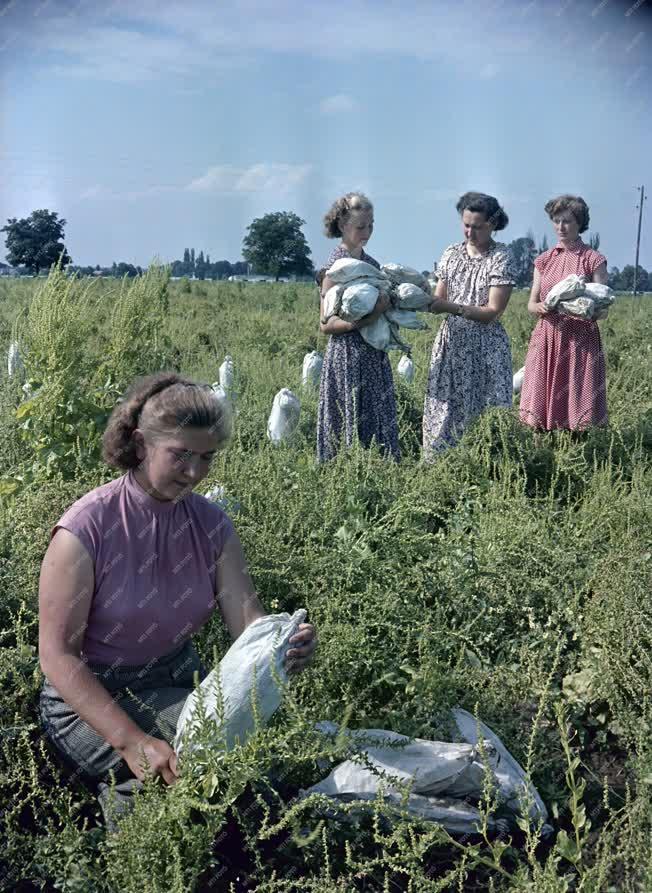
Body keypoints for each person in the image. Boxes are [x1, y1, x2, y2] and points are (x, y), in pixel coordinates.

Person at [38, 373, 318, 830]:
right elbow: (57, 655)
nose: (194, 472)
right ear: (141, 442)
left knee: (254, 760)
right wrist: (130, 741)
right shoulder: (85, 530)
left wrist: (282, 642)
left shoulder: (212, 525)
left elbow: (247, 617)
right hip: (88, 695)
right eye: (180, 454)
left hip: (176, 681)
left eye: (206, 457)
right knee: (182, 769)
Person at [423, 191, 517, 457]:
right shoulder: (451, 254)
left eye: (477, 227)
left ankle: (486, 471)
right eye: (466, 225)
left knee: (485, 414)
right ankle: (439, 471)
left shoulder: (501, 258)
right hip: (451, 344)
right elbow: (438, 298)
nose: (469, 232)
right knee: (443, 409)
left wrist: (450, 308)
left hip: (485, 347)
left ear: (492, 225)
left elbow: (493, 311)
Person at [316, 192, 400, 463]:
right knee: (347, 425)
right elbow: (326, 325)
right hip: (347, 358)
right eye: (361, 226)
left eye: (371, 225)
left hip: (374, 356)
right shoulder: (334, 268)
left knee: (376, 431)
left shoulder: (373, 266)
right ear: (343, 226)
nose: (367, 232)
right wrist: (369, 317)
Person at [519, 195, 608, 431]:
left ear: (580, 223)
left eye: (567, 221)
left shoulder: (593, 260)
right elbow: (531, 303)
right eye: (556, 221)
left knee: (580, 406)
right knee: (540, 405)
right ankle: (543, 453)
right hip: (548, 336)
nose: (561, 227)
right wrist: (540, 307)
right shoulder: (544, 260)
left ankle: (581, 449)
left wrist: (583, 309)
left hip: (581, 339)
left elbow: (603, 308)